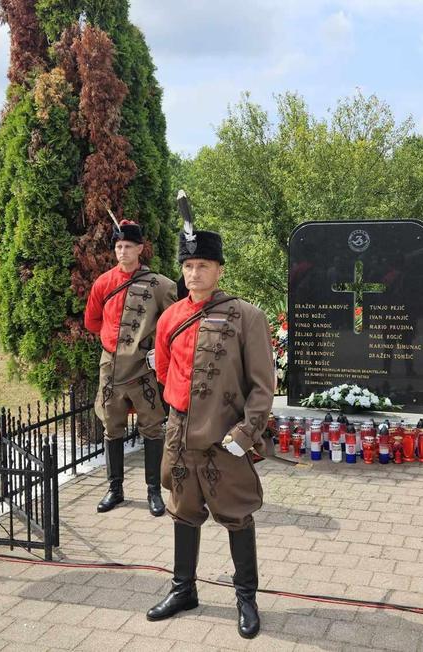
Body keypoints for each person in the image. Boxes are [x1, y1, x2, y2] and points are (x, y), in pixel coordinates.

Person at [146, 222, 275, 639]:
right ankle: (183, 590)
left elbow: (262, 385)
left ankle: (246, 598)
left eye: (203, 265)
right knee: (183, 512)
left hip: (226, 437)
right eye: (188, 265)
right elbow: (164, 373)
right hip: (181, 435)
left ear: (219, 269)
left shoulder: (247, 316)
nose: (194, 273)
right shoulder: (169, 318)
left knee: (237, 515)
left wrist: (246, 433)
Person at [84, 220, 178, 516]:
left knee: (151, 428)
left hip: (143, 368)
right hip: (111, 367)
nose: (122, 251)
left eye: (128, 246)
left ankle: (153, 491)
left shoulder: (160, 285)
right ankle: (115, 488)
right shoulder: (103, 283)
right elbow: (92, 321)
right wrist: (113, 342)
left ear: (140, 249)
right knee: (112, 427)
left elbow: (174, 325)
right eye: (118, 246)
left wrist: (155, 350)